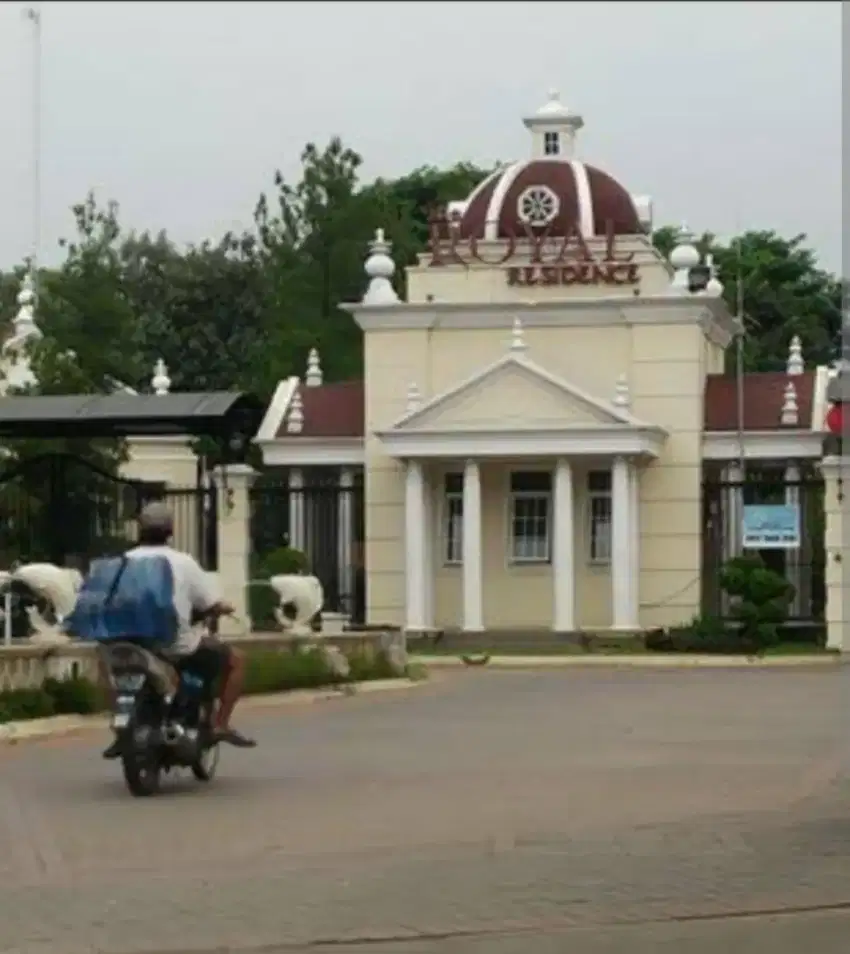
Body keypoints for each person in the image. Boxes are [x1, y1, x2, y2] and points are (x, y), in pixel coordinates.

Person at [101, 501, 256, 759]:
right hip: (176, 646)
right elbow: (209, 602)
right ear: (170, 530)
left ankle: (120, 730)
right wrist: (222, 607)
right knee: (237, 660)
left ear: (140, 529)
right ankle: (220, 724)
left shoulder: (123, 561)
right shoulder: (183, 562)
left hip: (129, 643)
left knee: (113, 675)